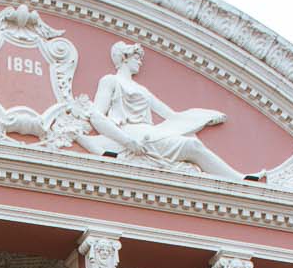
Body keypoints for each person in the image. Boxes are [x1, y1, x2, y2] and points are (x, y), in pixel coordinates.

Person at [76, 41, 244, 181]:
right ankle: (238, 180)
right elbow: (97, 117)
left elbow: (172, 116)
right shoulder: (111, 81)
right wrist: (128, 142)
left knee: (191, 139)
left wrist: (204, 118)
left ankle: (238, 179)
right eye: (136, 57)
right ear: (124, 58)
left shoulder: (141, 90)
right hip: (134, 134)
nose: (140, 62)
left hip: (150, 132)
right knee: (191, 145)